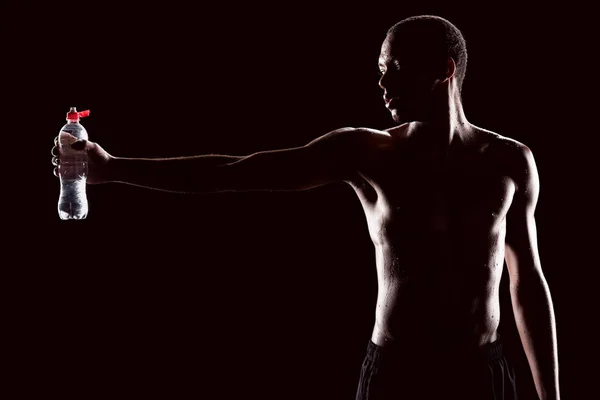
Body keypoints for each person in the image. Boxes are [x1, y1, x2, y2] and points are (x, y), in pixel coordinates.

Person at [51, 15, 560, 400]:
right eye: (381, 71)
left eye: (397, 70)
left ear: (444, 71)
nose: (382, 85)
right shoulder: (368, 154)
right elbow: (237, 171)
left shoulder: (509, 162)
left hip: (480, 373)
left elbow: (527, 281)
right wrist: (113, 167)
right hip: (396, 372)